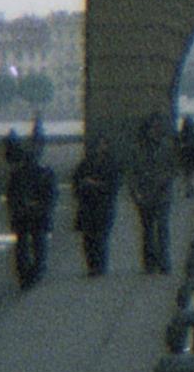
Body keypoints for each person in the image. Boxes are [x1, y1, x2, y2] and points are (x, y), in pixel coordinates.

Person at [4, 133, 56, 288]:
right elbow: (51, 195)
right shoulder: (46, 173)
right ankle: (36, 270)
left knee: (22, 245)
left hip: (22, 215)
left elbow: (11, 196)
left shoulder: (16, 175)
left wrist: (17, 208)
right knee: (39, 243)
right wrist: (43, 208)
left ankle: (24, 274)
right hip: (39, 215)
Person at [129, 112, 175, 275]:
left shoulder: (167, 147)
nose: (156, 130)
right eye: (153, 127)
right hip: (145, 194)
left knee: (162, 228)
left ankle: (164, 262)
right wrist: (135, 193)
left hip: (162, 193)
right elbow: (132, 173)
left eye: (158, 127)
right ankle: (149, 263)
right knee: (148, 229)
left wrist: (165, 179)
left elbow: (173, 168)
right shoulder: (137, 149)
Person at [72, 133, 122, 276]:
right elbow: (76, 182)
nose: (100, 148)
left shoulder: (111, 164)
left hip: (104, 205)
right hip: (87, 205)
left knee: (101, 236)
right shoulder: (85, 163)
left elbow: (114, 185)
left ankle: (100, 265)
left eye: (103, 144)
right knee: (88, 237)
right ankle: (91, 265)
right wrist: (83, 185)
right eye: (98, 144)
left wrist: (97, 185)